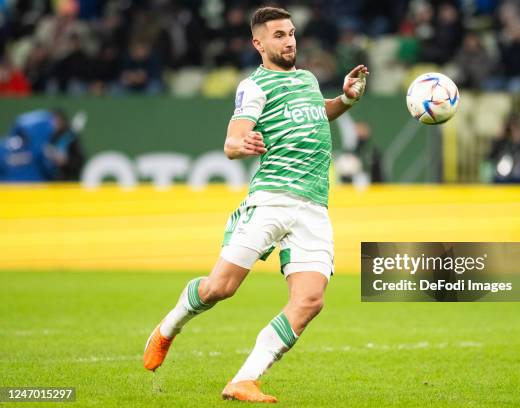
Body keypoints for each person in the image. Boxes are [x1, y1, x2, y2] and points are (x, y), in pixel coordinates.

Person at [143, 6, 368, 403]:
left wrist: (345, 100)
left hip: (314, 207)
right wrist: (239, 146)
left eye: (292, 33)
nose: (290, 41)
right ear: (258, 43)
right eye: (279, 35)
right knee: (220, 288)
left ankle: (244, 380)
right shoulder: (255, 86)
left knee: (311, 300)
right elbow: (233, 139)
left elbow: (315, 115)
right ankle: (168, 327)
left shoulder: (307, 80)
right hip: (271, 199)